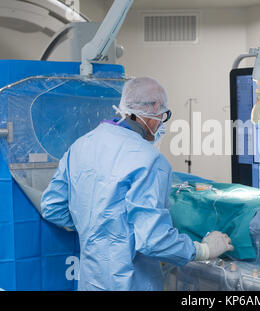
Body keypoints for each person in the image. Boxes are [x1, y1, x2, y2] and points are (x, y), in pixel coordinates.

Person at [40, 77, 234, 291]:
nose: (162, 123)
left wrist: (99, 226)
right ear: (156, 108)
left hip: (91, 283)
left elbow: (52, 208)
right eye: (164, 116)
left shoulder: (80, 146)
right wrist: (204, 250)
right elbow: (153, 240)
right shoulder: (149, 160)